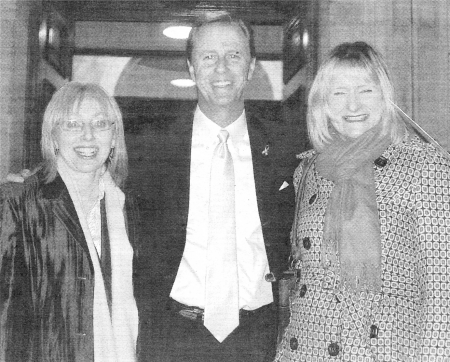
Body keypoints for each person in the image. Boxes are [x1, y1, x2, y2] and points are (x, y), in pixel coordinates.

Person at [135, 14, 299, 362]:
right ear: (192, 68)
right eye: (208, 57)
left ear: (251, 66)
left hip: (259, 339)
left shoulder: (286, 147)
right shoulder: (150, 149)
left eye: (234, 56)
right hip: (171, 337)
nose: (221, 68)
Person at [274, 41, 450, 361]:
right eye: (339, 93)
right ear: (323, 104)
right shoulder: (308, 170)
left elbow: (442, 293)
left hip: (385, 351)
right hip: (307, 350)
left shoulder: (425, 166)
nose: (352, 105)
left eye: (365, 90)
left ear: (384, 97)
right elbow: (303, 281)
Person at [0, 82, 140, 361]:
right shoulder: (19, 201)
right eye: (73, 124)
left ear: (114, 137)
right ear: (53, 136)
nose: (88, 136)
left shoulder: (125, 206)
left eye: (100, 124)